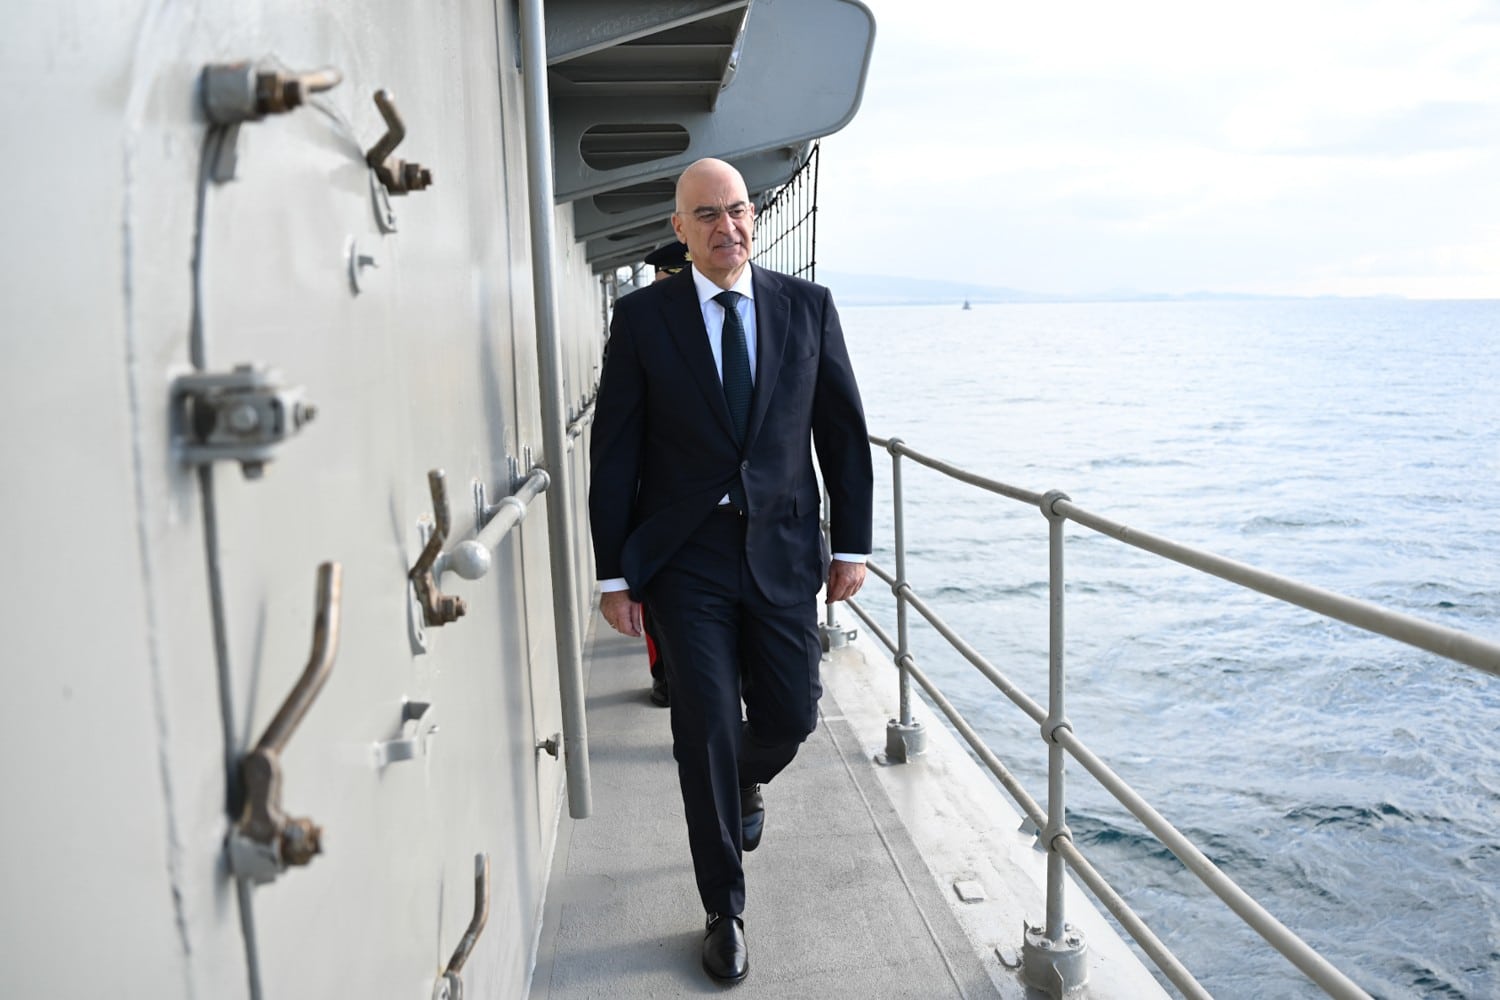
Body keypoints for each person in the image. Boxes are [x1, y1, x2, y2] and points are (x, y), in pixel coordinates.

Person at [589, 157, 873, 984]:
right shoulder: (643, 320)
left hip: (783, 546)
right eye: (708, 215)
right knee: (705, 724)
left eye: (739, 210)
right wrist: (614, 575)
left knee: (791, 715)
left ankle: (741, 781)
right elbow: (616, 451)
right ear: (679, 230)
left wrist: (851, 546)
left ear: (753, 218)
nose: (729, 227)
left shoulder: (807, 307)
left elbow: (842, 433)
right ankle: (724, 909)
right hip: (687, 559)